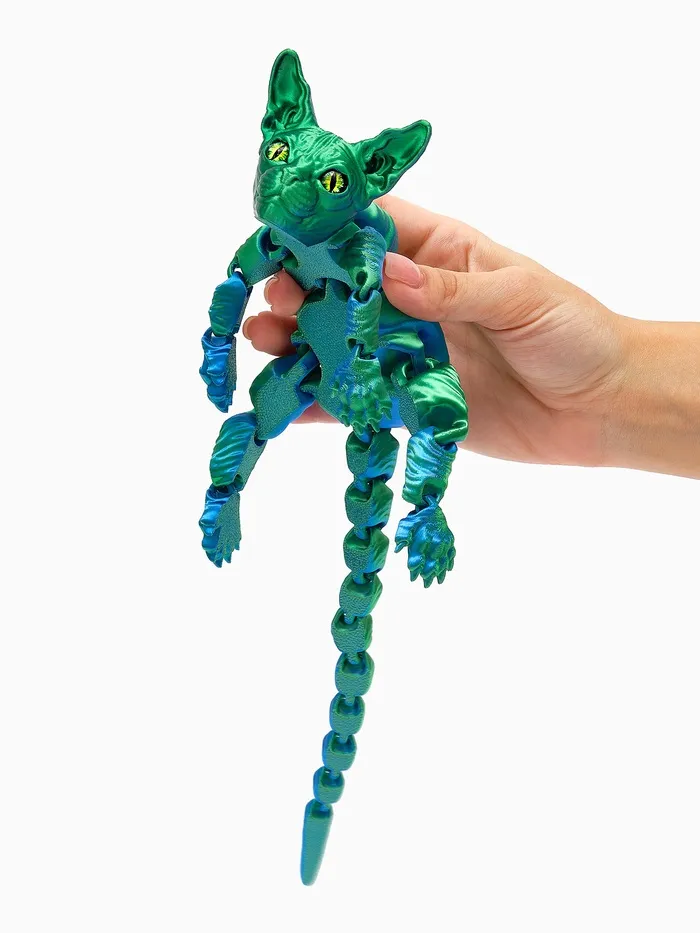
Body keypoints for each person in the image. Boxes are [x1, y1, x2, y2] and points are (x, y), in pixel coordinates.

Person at [242, 195, 700, 480]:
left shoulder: (368, 248)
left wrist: (612, 386)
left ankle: (423, 510)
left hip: (383, 369)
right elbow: (241, 273)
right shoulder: (286, 247)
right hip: (340, 364)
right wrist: (218, 346)